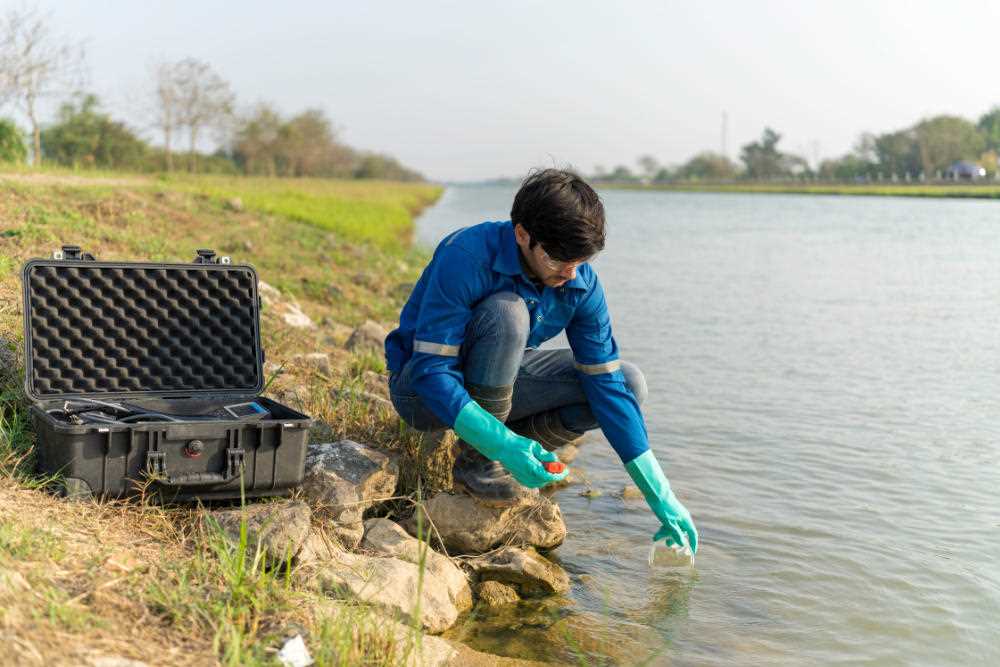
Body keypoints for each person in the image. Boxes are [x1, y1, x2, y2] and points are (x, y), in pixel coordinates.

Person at [384, 169, 698, 553]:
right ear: (522, 235)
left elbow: (609, 389)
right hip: (421, 392)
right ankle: (480, 461)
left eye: (580, 261)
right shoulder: (465, 255)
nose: (569, 274)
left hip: (499, 382)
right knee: (507, 313)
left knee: (629, 384)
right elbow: (432, 373)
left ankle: (513, 451)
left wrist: (661, 496)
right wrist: (499, 445)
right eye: (557, 259)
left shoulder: (578, 280)